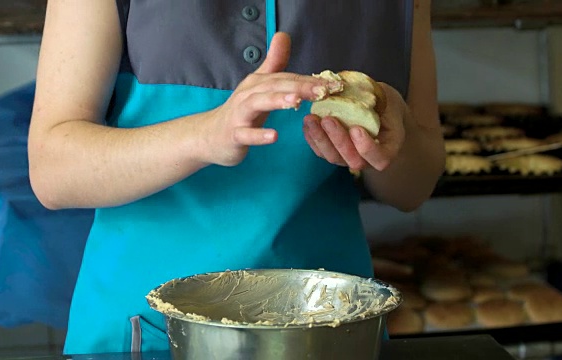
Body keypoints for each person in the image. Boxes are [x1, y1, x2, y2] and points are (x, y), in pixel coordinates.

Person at [28, 0, 445, 355]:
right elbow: (53, 170)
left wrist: (394, 135)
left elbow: (414, 188)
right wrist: (206, 135)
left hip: (329, 332)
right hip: (145, 330)